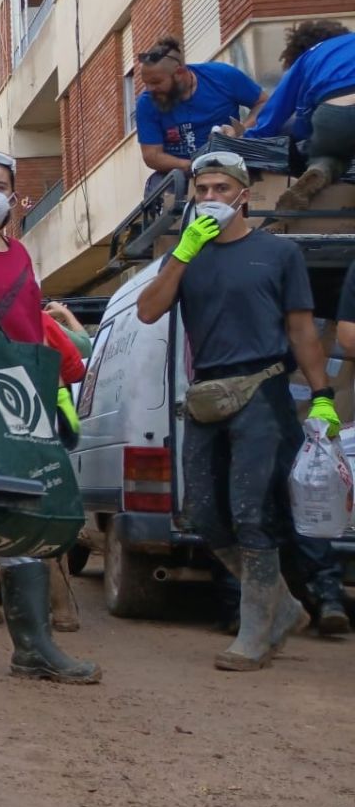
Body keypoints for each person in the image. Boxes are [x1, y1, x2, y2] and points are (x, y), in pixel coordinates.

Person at [136, 150, 339, 668]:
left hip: (264, 389)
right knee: (203, 513)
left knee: (253, 513)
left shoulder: (277, 253)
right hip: (207, 392)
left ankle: (254, 634)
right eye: (201, 190)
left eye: (220, 190)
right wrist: (183, 252)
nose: (209, 199)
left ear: (243, 195)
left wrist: (322, 398)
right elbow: (148, 310)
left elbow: (301, 329)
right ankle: (282, 605)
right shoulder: (186, 255)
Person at [0, 151, 99, 685]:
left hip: (21, 393)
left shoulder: (19, 254)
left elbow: (28, 326)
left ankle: (33, 646)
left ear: (15, 198)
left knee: (24, 510)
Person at [245, 20, 355, 213]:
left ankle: (321, 167)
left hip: (333, 116)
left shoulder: (309, 57)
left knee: (328, 155)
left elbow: (276, 111)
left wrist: (247, 142)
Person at [134, 36, 265, 192]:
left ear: (180, 72)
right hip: (183, 173)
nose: (149, 89)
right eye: (146, 83)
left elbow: (264, 103)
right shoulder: (146, 102)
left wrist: (240, 130)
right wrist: (193, 166)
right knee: (160, 192)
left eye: (156, 82)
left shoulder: (222, 76)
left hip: (230, 161)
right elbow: (152, 156)